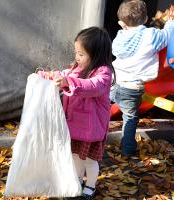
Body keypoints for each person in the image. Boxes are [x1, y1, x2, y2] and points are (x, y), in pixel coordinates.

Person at [39, 27, 114, 200]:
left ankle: (90, 186)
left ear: (95, 54)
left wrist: (68, 81)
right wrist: (44, 75)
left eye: (81, 54)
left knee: (89, 160)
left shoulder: (103, 73)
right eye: (76, 53)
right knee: (74, 157)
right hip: (74, 127)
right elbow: (61, 75)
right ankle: (77, 181)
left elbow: (92, 87)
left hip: (91, 129)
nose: (76, 58)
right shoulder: (75, 69)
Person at [110, 0, 174, 157]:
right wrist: (171, 23)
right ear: (146, 19)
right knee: (130, 119)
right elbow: (166, 36)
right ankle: (127, 150)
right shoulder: (151, 35)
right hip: (132, 89)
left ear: (121, 23)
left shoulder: (120, 37)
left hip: (114, 83)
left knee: (102, 105)